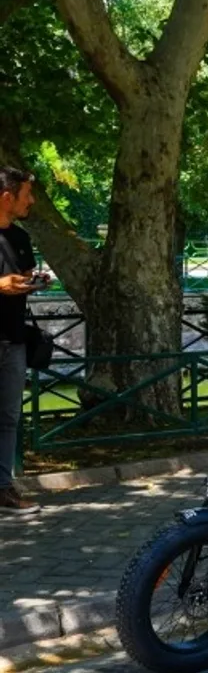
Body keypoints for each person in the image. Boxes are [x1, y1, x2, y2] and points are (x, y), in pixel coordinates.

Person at [0, 167, 47, 515]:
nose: (31, 201)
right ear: (7, 197)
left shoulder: (20, 237)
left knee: (8, 418)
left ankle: (3, 489)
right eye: (27, 194)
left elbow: (25, 277)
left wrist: (33, 281)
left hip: (13, 340)